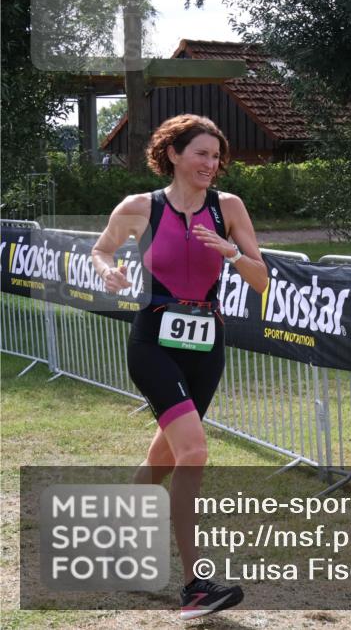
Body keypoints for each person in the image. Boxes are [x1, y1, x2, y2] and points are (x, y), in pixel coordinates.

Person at [90, 115, 267, 619]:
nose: (212, 165)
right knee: (193, 450)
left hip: (207, 343)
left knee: (164, 459)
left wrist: (233, 253)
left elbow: (261, 281)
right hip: (154, 339)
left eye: (216, 157)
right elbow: (101, 250)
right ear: (173, 154)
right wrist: (110, 272)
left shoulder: (228, 207)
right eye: (201, 155)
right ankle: (195, 586)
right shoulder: (141, 207)